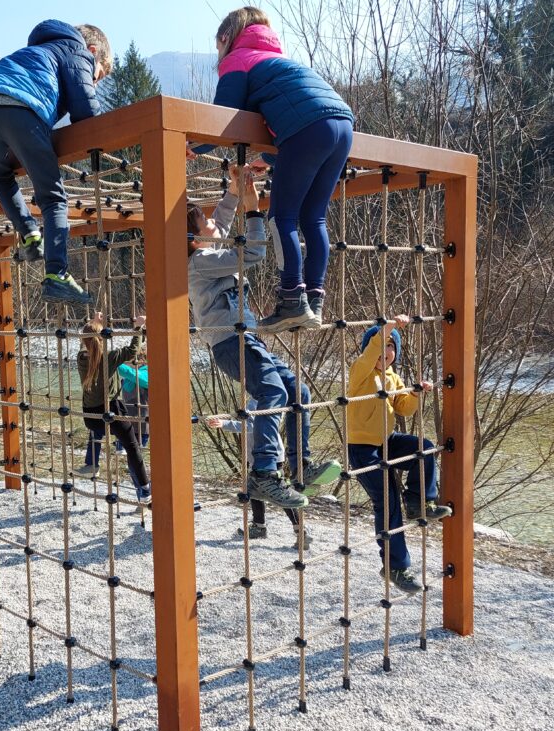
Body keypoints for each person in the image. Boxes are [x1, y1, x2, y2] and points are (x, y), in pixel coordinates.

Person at [187, 167, 341, 510]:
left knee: (298, 392)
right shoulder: (201, 261)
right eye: (204, 222)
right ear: (195, 239)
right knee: (272, 392)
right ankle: (264, 473)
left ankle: (301, 466)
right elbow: (254, 254)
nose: (213, 222)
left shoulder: (206, 251)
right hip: (230, 343)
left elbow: (221, 222)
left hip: (246, 340)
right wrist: (254, 210)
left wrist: (235, 190)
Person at [200, 6, 354, 332]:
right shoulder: (276, 60)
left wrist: (193, 145)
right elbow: (286, 117)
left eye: (217, 47)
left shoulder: (238, 59)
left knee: (281, 217)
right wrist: (268, 159)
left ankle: (291, 299)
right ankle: (313, 301)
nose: (218, 55)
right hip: (342, 125)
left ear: (226, 37)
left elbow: (221, 117)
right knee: (314, 218)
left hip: (308, 128)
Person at [0, 21, 112, 306]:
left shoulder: (39, 52)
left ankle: (30, 233)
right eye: (99, 76)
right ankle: (57, 274)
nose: (95, 82)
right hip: (21, 107)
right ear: (93, 51)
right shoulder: (77, 51)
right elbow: (86, 110)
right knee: (53, 198)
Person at [347, 315, 452, 594]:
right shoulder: (360, 371)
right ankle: (396, 566)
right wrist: (389, 328)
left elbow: (403, 409)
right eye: (381, 346)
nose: (385, 351)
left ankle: (418, 501)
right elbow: (371, 353)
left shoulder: (393, 377)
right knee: (387, 501)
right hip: (362, 448)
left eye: (391, 347)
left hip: (386, 441)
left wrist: (416, 394)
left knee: (424, 448)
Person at [205, 402, 337, 549]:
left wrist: (224, 423)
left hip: (268, 456)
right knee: (255, 488)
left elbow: (254, 426)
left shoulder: (260, 399)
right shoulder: (263, 397)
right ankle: (259, 526)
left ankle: (301, 531)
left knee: (281, 493)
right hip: (262, 455)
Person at [75, 312, 152, 505]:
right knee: (133, 447)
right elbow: (132, 351)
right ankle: (144, 489)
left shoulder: (81, 357)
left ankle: (93, 463)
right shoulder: (109, 357)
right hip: (111, 412)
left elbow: (88, 342)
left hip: (90, 416)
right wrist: (138, 327)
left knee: (102, 433)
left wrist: (95, 324)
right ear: (102, 339)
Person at [117, 354, 149, 450]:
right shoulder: (127, 379)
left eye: (127, 360)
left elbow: (132, 374)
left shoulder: (147, 373)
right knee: (130, 455)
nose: (126, 363)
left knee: (136, 455)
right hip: (127, 423)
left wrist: (113, 363)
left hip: (141, 425)